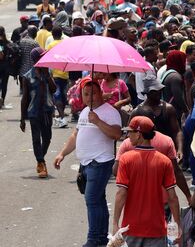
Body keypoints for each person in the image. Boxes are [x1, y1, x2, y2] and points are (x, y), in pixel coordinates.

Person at [53, 79, 122, 247]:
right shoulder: (85, 112)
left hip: (100, 162)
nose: (90, 97)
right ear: (82, 96)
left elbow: (116, 134)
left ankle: (93, 239)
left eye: (93, 93)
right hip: (86, 164)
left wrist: (98, 121)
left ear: (100, 93)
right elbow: (75, 136)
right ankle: (101, 238)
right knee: (98, 199)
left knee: (92, 199)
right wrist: (62, 153)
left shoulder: (110, 112)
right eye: (86, 94)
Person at [112, 116, 181, 247]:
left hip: (131, 228)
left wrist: (115, 223)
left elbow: (121, 193)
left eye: (130, 132)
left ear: (139, 134)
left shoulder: (126, 159)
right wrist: (178, 226)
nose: (128, 135)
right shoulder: (164, 161)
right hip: (157, 229)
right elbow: (173, 197)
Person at [20, 47, 56, 178]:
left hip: (47, 111)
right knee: (36, 138)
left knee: (47, 138)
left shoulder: (48, 72)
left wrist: (47, 76)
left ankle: (41, 158)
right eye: (43, 57)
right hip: (34, 112)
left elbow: (54, 89)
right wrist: (22, 118)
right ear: (37, 60)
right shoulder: (27, 76)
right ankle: (41, 162)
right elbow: (24, 99)